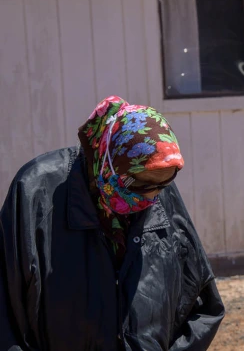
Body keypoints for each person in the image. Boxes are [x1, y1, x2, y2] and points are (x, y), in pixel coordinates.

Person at [0, 96, 224, 351]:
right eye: (141, 183)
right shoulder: (36, 192)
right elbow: (5, 317)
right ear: (110, 165)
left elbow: (204, 304)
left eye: (164, 183)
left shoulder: (159, 192)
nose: (151, 197)